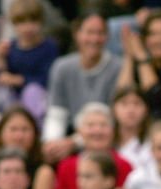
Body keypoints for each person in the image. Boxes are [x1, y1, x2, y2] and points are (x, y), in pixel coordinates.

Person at [43, 12, 122, 164]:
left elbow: (113, 119)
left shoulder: (118, 67)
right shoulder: (62, 67)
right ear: (77, 34)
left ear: (107, 37)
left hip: (104, 139)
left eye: (100, 33)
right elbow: (57, 113)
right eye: (90, 32)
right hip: (70, 136)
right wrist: (51, 144)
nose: (94, 39)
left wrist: (75, 143)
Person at [52, 102, 134, 189]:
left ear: (113, 130)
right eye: (90, 125)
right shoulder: (66, 166)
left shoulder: (123, 165)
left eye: (103, 125)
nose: (97, 130)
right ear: (79, 131)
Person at [0, 0, 58, 123]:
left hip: (39, 98)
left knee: (32, 91)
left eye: (33, 21)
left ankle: (34, 128)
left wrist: (19, 80)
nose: (28, 27)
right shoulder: (10, 47)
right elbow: (1, 75)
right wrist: (0, 58)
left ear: (41, 22)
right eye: (22, 22)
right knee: (2, 92)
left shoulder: (49, 47)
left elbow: (47, 78)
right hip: (14, 99)